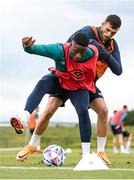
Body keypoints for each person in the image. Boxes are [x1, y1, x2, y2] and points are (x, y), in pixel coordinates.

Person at [11, 14, 122, 164]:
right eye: (107, 30)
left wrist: (105, 55)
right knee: (48, 109)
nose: (109, 34)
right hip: (64, 76)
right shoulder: (86, 34)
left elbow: (118, 70)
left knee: (102, 110)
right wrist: (28, 46)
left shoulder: (107, 48)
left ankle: (97, 153)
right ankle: (30, 142)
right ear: (102, 24)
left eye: (113, 32)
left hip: (85, 83)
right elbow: (68, 45)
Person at [16, 32, 100, 162]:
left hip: (78, 87)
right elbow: (36, 49)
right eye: (76, 51)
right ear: (71, 44)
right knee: (44, 86)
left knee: (83, 110)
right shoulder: (59, 50)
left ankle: (86, 156)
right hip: (60, 81)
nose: (78, 55)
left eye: (81, 52)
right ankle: (24, 121)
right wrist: (27, 47)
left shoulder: (92, 53)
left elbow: (91, 78)